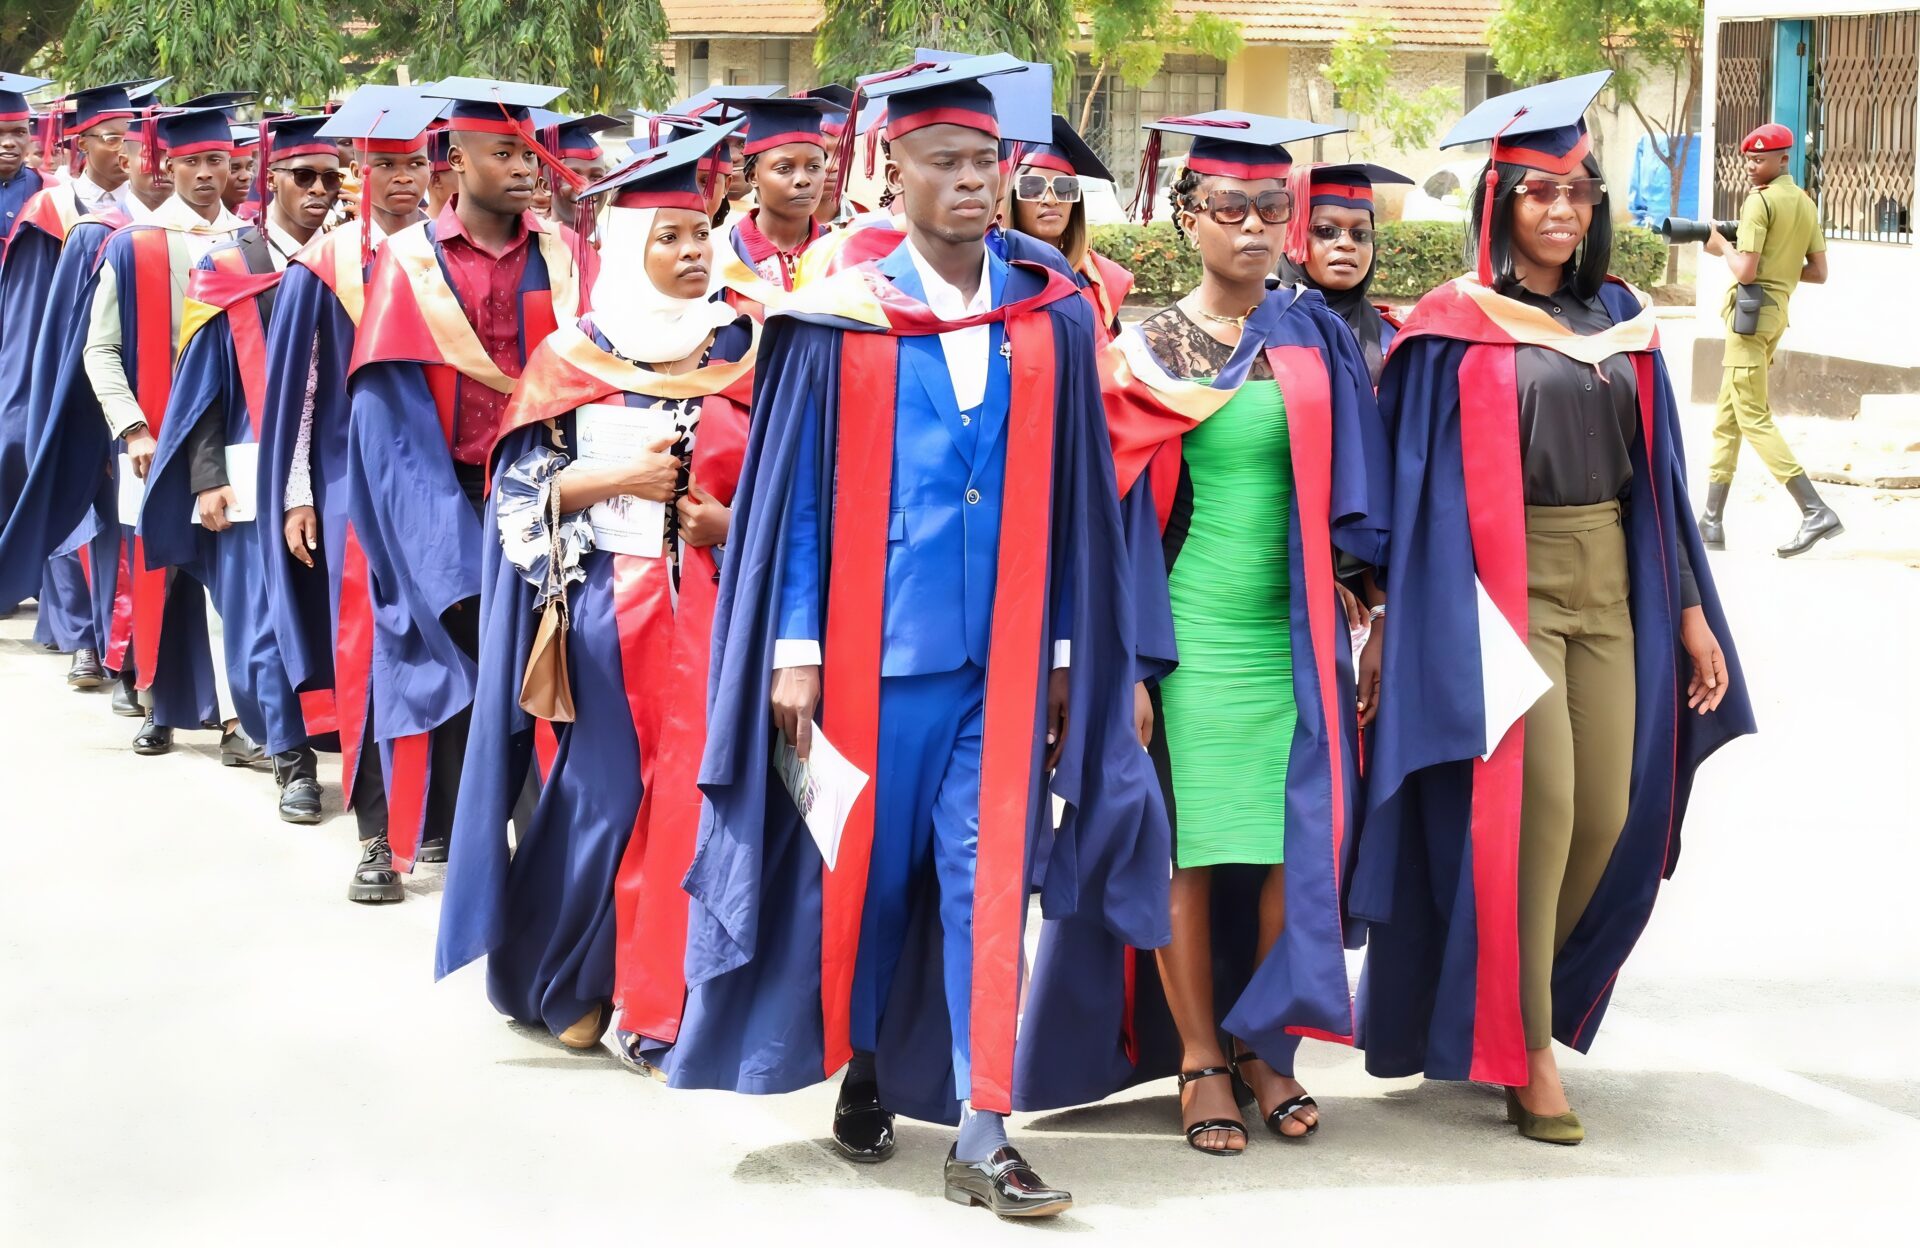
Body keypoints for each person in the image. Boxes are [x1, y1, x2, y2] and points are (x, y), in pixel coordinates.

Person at [645, 55, 1168, 1219]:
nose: (977, 181)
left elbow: (1080, 498)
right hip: (874, 660)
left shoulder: (1050, 314)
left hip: (1013, 652)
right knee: (877, 888)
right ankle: (870, 1061)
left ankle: (986, 1129)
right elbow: (799, 505)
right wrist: (791, 647)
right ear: (894, 170)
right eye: (949, 162)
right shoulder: (836, 317)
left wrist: (1080, 656)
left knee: (990, 882)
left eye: (991, 162)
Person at [1355, 73, 1754, 1145]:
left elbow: (1659, 476)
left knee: (1613, 814)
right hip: (1501, 584)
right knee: (1545, 810)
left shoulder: (1621, 315)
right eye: (1538, 193)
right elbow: (1413, 488)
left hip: (1613, 578)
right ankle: (1525, 1050)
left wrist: (1688, 610)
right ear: (1501, 204)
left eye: (1577, 190)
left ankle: (1493, 995)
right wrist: (1395, 614)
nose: (1561, 211)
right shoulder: (1450, 327)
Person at [1015, 112, 1390, 1156]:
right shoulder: (1139, 350)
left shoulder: (1311, 332)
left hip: (1293, 631)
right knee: (1189, 847)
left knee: (1287, 845)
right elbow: (1116, 517)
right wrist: (1126, 665)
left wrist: (1366, 603)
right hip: (1187, 631)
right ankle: (1198, 1055)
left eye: (1277, 209)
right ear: (1187, 220)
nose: (1260, 227)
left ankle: (1267, 1041)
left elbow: (1355, 486)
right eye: (1235, 209)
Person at [436, 124, 757, 1051]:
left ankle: (662, 1011)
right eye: (671, 236)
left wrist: (722, 524)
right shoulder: (574, 359)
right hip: (603, 618)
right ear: (627, 246)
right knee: (602, 802)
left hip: (713, 610)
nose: (694, 252)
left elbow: (791, 493)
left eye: (703, 232)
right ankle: (568, 971)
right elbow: (519, 493)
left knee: (690, 804)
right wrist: (618, 482)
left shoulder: (750, 346)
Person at [344, 75, 592, 871]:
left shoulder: (566, 256)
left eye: (531, 152)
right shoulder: (408, 263)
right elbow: (389, 417)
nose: (526, 167)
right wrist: (441, 543)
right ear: (456, 157)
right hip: (438, 495)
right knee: (416, 653)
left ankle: (525, 855)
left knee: (538, 674)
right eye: (505, 151)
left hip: (552, 493)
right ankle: (389, 839)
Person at [261, 85, 438, 902]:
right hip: (350, 491)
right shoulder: (327, 267)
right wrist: (298, 495)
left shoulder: (449, 257)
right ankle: (374, 837)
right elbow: (295, 395)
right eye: (386, 166)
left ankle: (436, 819)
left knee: (449, 656)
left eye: (414, 165)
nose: (402, 181)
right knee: (370, 659)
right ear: (358, 169)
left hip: (444, 490)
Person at [140, 112, 340, 823]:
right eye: (304, 176)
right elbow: (201, 385)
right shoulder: (231, 264)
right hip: (250, 464)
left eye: (331, 177)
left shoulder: (352, 259)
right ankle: (291, 761)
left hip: (333, 468)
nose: (320, 189)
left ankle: (327, 731)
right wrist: (205, 477)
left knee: (324, 611)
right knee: (259, 622)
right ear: (271, 178)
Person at [72, 103, 249, 757]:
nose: (207, 173)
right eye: (193, 161)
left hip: (228, 441)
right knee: (160, 574)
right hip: (153, 439)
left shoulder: (251, 244)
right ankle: (158, 702)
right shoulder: (134, 243)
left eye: (217, 160)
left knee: (227, 574)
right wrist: (133, 428)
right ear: (168, 164)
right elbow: (99, 350)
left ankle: (237, 717)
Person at [1698, 122, 1838, 558]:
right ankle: (1711, 520)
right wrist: (1778, 267)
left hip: (1750, 318)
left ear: (1783, 160)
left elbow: (1745, 272)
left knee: (1753, 416)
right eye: (1749, 160)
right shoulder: (1803, 202)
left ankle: (1814, 510)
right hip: (1774, 315)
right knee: (1728, 417)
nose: (1752, 167)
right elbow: (1817, 272)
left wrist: (1720, 245)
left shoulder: (1759, 203)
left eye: (1759, 160)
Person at [1275, 162, 1412, 387]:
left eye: (1361, 234)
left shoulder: (1394, 337)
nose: (1347, 244)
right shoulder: (1256, 328)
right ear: (1293, 238)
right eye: (1326, 231)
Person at [1002, 113, 1132, 343]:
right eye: (1032, 186)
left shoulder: (1100, 282)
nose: (1051, 199)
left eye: (1064, 187)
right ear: (1012, 198)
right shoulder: (993, 275)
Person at [714, 93, 844, 291]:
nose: (803, 180)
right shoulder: (724, 251)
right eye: (784, 168)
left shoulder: (840, 252)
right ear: (752, 176)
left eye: (814, 167)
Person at [534, 111, 617, 231]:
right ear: (546, 186)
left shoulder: (616, 242)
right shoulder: (533, 246)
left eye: (596, 177)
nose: (586, 187)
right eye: (571, 178)